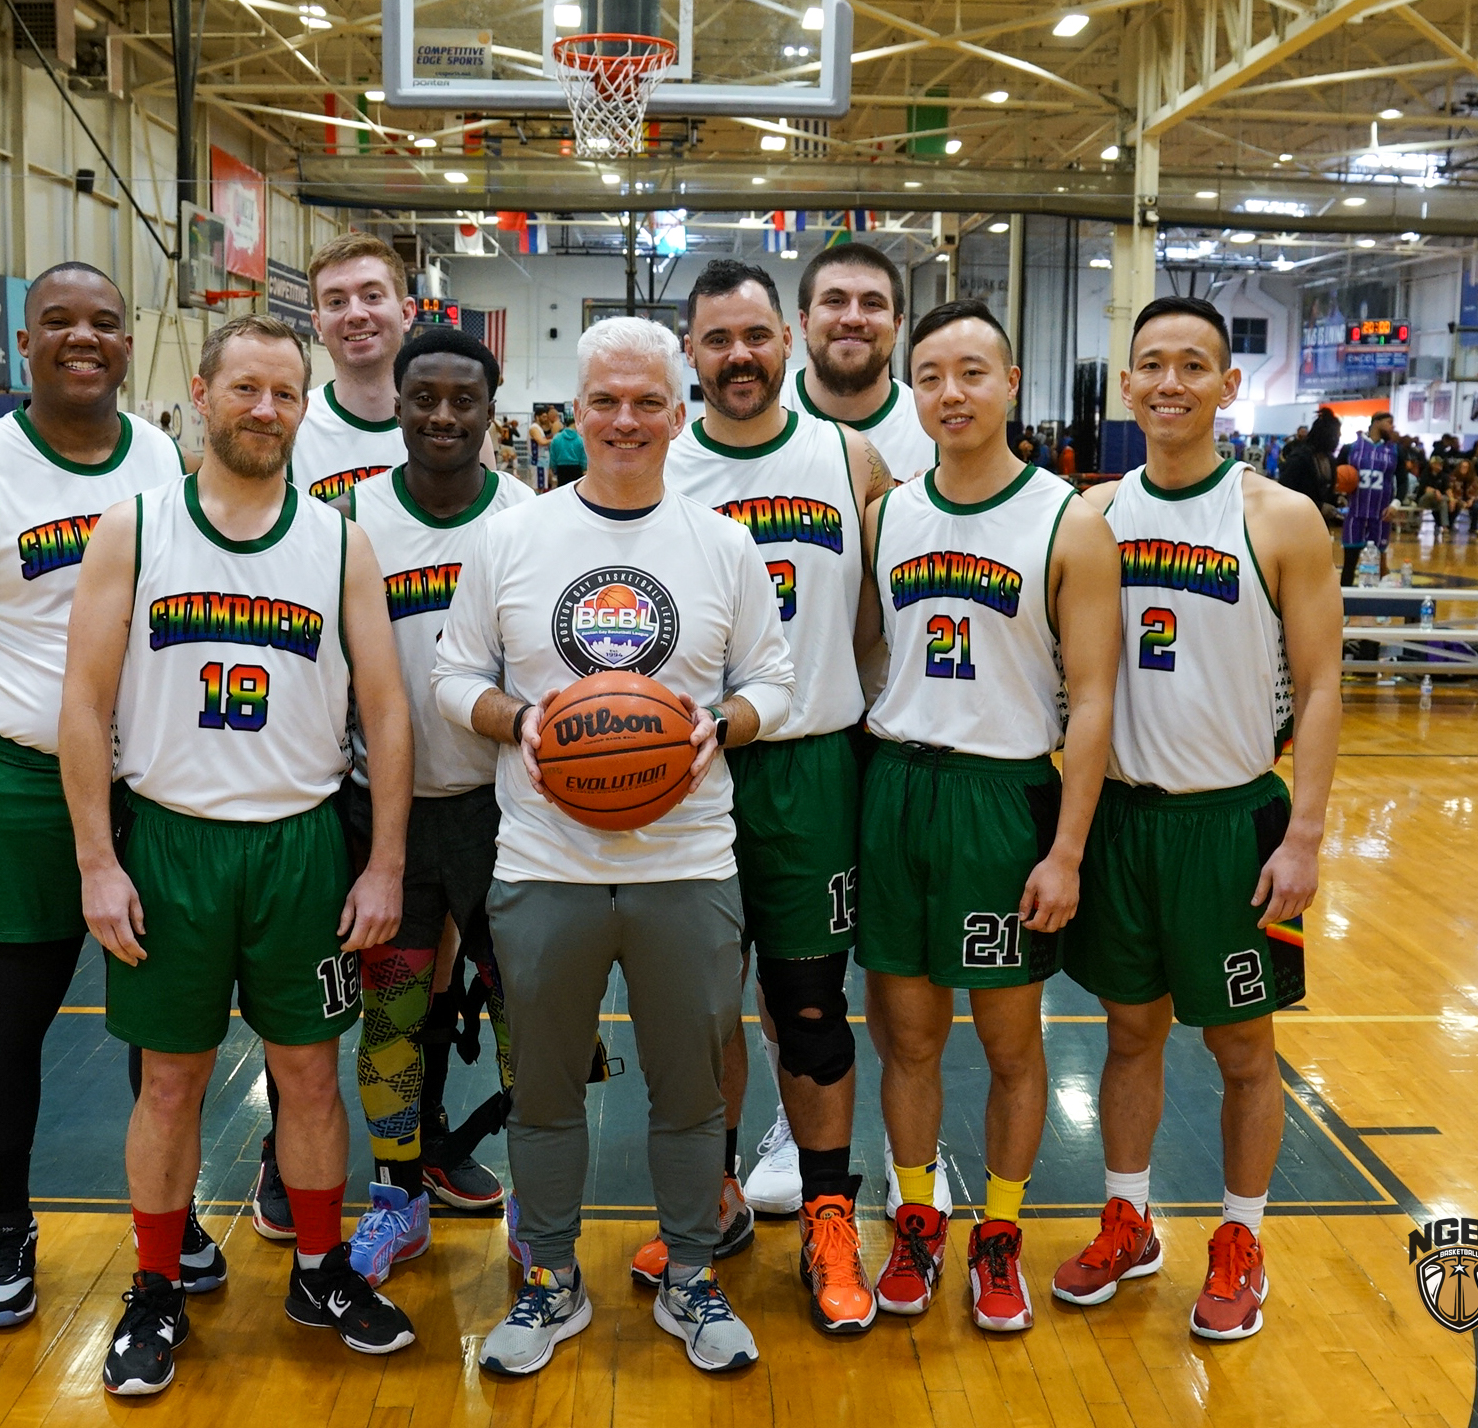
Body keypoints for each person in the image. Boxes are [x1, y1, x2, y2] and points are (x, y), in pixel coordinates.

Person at [61, 314, 418, 1394]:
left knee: (308, 1075)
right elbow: (80, 703)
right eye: (246, 389)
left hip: (301, 844)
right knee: (168, 1084)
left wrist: (384, 863)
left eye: (285, 394)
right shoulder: (134, 527)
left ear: (302, 409)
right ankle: (157, 1288)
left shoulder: (338, 539)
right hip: (168, 842)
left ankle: (318, 1269)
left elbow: (388, 712)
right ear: (201, 390)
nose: (266, 410)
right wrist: (95, 862)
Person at [432, 315, 794, 1376]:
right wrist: (518, 723)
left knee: (688, 1094)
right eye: (604, 402)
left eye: (646, 403)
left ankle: (689, 1276)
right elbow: (453, 676)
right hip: (543, 863)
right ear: (571, 414)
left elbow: (773, 680)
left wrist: (719, 725)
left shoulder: (721, 544)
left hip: (685, 861)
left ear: (675, 416)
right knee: (544, 1094)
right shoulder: (510, 535)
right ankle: (547, 1281)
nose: (625, 420)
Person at [0, 262, 211, 1332]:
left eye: (105, 324)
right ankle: (5, 1224)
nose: (85, 338)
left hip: (145, 779)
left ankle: (167, 1218)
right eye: (60, 322)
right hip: (19, 782)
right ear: (23, 344)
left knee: (157, 1022)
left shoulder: (163, 458)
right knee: (6, 1017)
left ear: (128, 345)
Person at [1054, 295, 1341, 1343]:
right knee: (1128, 1036)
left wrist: (1304, 834)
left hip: (1232, 824)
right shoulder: (1089, 516)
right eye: (1148, 365)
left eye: (1191, 365)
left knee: (1239, 1048)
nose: (1167, 381)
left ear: (1227, 386)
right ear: (1124, 385)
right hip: (1124, 821)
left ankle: (1239, 1235)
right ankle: (1127, 1217)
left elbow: (1316, 688)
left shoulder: (1277, 518)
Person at [857, 298, 1121, 1334]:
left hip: (1002, 796)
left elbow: (1093, 699)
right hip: (897, 789)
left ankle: (999, 1233)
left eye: (971, 371)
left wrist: (1065, 850)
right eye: (929, 375)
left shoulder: (1067, 519)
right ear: (910, 391)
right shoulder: (887, 515)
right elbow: (870, 655)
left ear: (1011, 384)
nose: (950, 392)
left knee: (1013, 1047)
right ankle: (917, 1220)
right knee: (907, 1041)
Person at [662, 259, 892, 1333]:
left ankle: (829, 1215)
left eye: (755, 336)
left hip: (809, 767)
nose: (739, 356)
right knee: (699, 1009)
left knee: (808, 1012)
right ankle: (709, 1194)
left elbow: (873, 623)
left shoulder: (847, 456)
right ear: (691, 352)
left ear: (786, 342)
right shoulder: (657, 466)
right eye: (717, 340)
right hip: (683, 772)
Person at [325, 325, 531, 1285]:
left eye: (464, 399)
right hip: (385, 817)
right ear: (396, 405)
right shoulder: (345, 522)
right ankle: (398, 1198)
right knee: (392, 1016)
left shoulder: (532, 519)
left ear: (493, 410)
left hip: (510, 813)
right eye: (424, 398)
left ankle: (541, 1204)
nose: (444, 415)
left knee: (529, 1016)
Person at [781, 244, 940, 483]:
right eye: (835, 300)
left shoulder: (934, 425)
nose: (853, 318)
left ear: (897, 326)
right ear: (804, 323)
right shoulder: (760, 413)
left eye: (872, 303)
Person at [290, 233, 414, 502]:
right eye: (336, 302)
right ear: (318, 324)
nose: (356, 314)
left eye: (371, 296)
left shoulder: (453, 429)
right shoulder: (290, 426)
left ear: (406, 313)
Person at [1339, 411, 1397, 584]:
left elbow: (1401, 481)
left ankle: (1378, 606)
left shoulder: (1394, 450)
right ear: (1376, 422)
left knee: (1379, 564)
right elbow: (1337, 474)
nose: (1391, 427)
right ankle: (1344, 605)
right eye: (1389, 422)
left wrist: (1396, 504)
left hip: (1381, 515)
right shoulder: (1350, 448)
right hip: (1355, 514)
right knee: (1349, 563)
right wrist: (1340, 493)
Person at [1277, 409, 1338, 528]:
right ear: (1327, 436)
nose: (1339, 437)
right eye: (1337, 434)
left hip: (1320, 525)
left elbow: (1324, 493)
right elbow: (1285, 492)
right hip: (1297, 524)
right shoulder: (1300, 457)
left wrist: (1336, 499)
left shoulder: (1329, 459)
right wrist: (1319, 506)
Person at [547, 416, 587, 487]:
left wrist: (553, 468)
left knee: (562, 490)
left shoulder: (556, 438)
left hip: (561, 468)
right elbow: (583, 457)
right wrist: (584, 468)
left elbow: (553, 455)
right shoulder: (580, 439)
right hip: (576, 468)